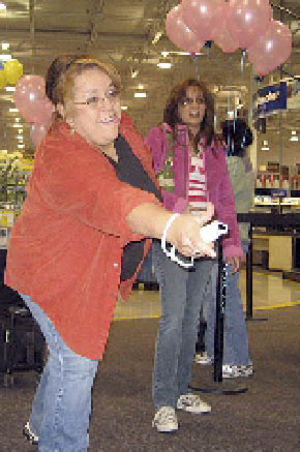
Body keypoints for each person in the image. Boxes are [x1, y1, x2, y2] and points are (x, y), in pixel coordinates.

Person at [5, 58, 216, 451]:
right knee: (79, 360)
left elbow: (142, 186)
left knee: (66, 358)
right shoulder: (61, 153)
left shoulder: (122, 131)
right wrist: (170, 228)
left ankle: (38, 425)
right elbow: (114, 199)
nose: (108, 106)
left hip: (89, 265)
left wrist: (173, 214)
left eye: (111, 94)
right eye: (91, 99)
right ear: (64, 112)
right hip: (49, 273)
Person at [144, 79, 243, 433]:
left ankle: (182, 389)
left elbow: (226, 197)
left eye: (200, 101)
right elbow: (145, 183)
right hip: (172, 235)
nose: (195, 106)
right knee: (172, 320)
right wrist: (179, 206)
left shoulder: (214, 145)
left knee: (190, 322)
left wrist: (231, 243)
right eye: (187, 100)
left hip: (207, 240)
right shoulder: (161, 137)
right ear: (176, 104)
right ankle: (163, 401)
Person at [196, 118, 255, 378]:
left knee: (225, 298)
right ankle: (215, 350)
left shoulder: (232, 165)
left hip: (230, 239)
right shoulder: (243, 163)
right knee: (214, 298)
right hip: (225, 238)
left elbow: (218, 197)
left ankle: (237, 357)